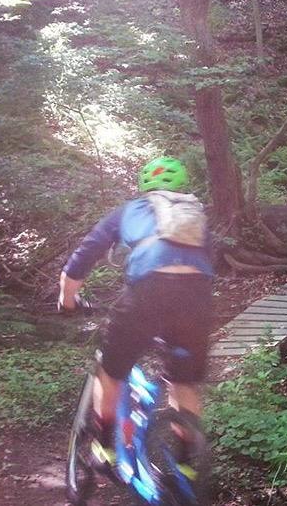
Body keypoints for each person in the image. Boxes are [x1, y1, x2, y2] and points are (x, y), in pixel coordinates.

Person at [58, 156, 213, 471]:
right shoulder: (196, 216)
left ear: (144, 184)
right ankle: (187, 464)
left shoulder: (129, 211)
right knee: (183, 381)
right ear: (180, 185)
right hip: (197, 299)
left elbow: (84, 256)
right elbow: (209, 264)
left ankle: (103, 449)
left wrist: (67, 300)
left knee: (111, 370)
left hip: (148, 293)